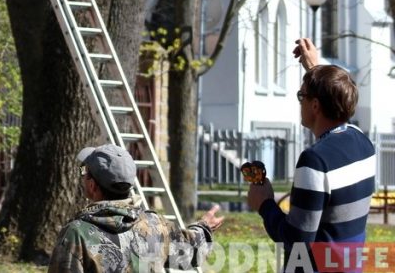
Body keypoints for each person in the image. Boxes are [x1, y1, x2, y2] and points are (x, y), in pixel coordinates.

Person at [246, 37, 376, 271]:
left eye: (301, 96)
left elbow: (297, 241)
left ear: (315, 106)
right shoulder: (364, 144)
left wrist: (264, 203)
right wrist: (315, 71)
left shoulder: (315, 162)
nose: (300, 102)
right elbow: (338, 100)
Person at [49, 144, 223, 272]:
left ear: (93, 186)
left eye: (85, 173)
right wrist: (204, 226)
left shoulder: (77, 234)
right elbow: (192, 251)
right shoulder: (155, 225)